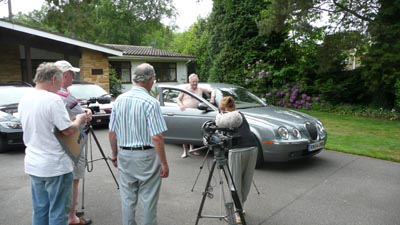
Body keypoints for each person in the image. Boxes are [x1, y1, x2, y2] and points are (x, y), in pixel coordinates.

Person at [18, 62, 89, 225]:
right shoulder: (53, 100)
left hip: (34, 164)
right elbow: (67, 130)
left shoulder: (25, 98)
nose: (59, 87)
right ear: (54, 78)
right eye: (58, 82)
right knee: (58, 212)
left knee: (40, 209)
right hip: (55, 165)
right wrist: (79, 120)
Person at [108, 63, 169, 225]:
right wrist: (163, 163)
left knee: (127, 198)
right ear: (150, 80)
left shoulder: (119, 100)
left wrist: (114, 155)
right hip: (146, 156)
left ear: (135, 79)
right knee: (148, 199)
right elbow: (157, 136)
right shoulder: (151, 102)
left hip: (125, 154)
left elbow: (112, 132)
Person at [55, 60, 93, 225]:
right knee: (74, 179)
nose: (74, 76)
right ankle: (72, 217)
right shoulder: (63, 94)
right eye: (71, 74)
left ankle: (67, 212)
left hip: (56, 146)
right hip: (70, 143)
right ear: (63, 76)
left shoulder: (49, 93)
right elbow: (82, 115)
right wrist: (87, 112)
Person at [216, 96, 258, 223]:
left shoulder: (226, 117)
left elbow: (219, 123)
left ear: (223, 108)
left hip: (238, 150)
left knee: (235, 182)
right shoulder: (240, 115)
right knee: (246, 181)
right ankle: (240, 207)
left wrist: (219, 114)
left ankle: (237, 211)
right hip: (253, 147)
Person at [176, 73, 216, 158]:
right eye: (193, 82)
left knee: (193, 131)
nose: (195, 83)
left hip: (196, 113)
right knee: (185, 132)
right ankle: (185, 151)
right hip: (186, 114)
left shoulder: (200, 89)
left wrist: (212, 98)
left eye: (196, 81)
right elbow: (178, 99)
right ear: (189, 81)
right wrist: (181, 105)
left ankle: (192, 149)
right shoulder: (185, 89)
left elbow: (212, 90)